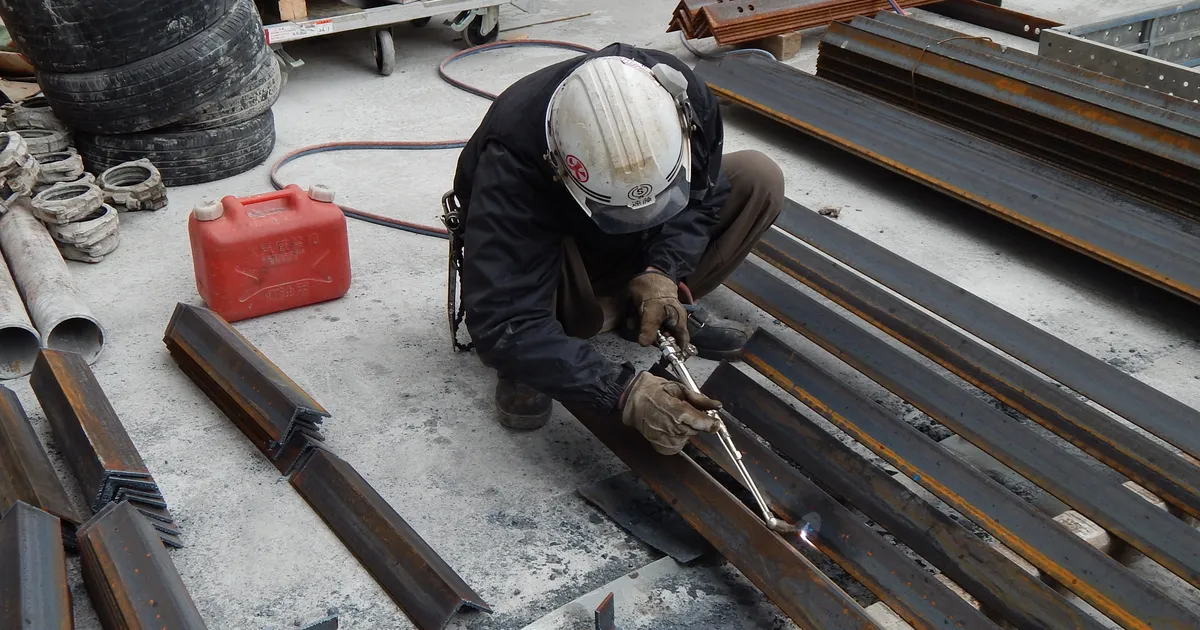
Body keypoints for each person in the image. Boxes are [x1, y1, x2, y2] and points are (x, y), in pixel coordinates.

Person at [451, 42, 784, 455]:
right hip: (558, 261)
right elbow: (501, 315)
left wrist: (662, 270)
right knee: (518, 329)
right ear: (560, 162)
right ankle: (538, 357)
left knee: (757, 176)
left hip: (635, 251)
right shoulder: (514, 154)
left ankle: (643, 309)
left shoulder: (683, 97)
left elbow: (701, 196)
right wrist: (622, 392)